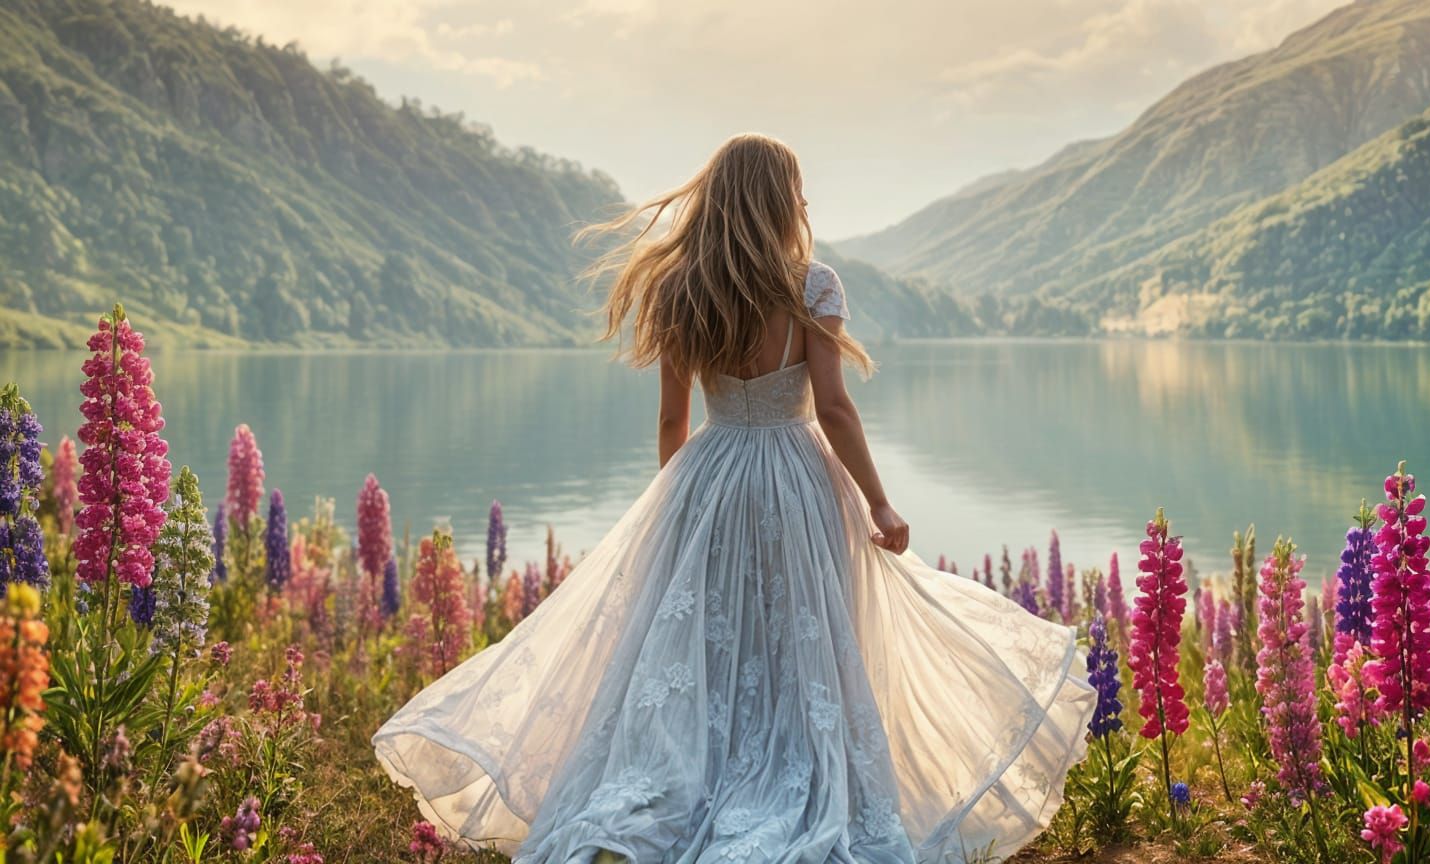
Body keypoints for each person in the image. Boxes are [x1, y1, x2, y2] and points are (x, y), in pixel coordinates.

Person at [373, 133, 1095, 863]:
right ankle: (796, 776)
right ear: (777, 200)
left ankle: (697, 778)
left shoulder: (680, 289)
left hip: (710, 476)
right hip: (797, 480)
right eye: (797, 189)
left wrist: (677, 504)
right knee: (803, 643)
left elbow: (671, 421)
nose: (806, 202)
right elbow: (834, 408)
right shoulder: (813, 286)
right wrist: (879, 502)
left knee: (713, 646)